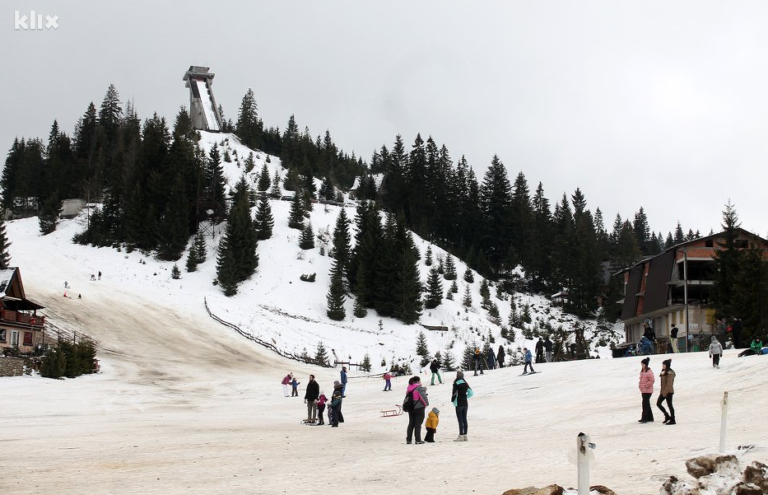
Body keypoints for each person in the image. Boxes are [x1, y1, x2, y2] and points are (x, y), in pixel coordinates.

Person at [405, 376, 429, 444]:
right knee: (418, 424)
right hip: (419, 408)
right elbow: (422, 397)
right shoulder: (419, 388)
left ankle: (408, 439)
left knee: (411, 423)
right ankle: (418, 439)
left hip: (411, 408)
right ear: (418, 381)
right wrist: (426, 404)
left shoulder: (409, 389)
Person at [451, 370, 472, 442]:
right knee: (465, 419)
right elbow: (471, 393)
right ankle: (465, 435)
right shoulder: (465, 383)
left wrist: (454, 401)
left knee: (460, 420)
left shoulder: (455, 383)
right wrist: (465, 397)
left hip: (459, 403)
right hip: (465, 403)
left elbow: (454, 394)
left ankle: (461, 435)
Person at [656, 359, 676, 425]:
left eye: (664, 365)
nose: (663, 366)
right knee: (658, 403)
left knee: (670, 405)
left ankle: (673, 419)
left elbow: (669, 384)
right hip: (663, 391)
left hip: (669, 391)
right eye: (662, 365)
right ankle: (667, 416)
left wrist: (665, 393)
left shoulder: (670, 373)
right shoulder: (664, 371)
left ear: (667, 365)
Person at [638, 357, 655, 423]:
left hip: (648, 390)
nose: (642, 365)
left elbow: (652, 380)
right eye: (641, 364)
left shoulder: (649, 371)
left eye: (643, 364)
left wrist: (646, 386)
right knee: (646, 403)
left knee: (645, 404)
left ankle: (644, 418)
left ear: (646, 364)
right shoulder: (642, 371)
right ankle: (650, 418)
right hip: (643, 390)